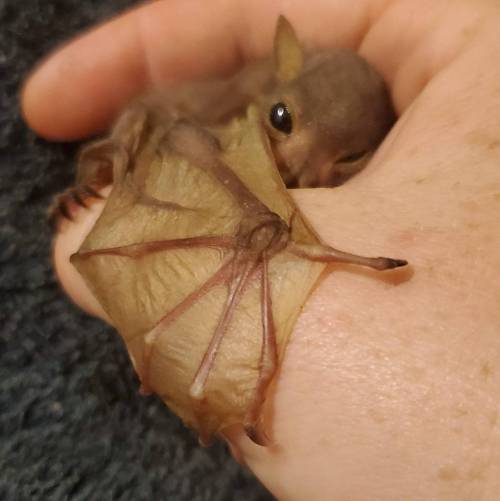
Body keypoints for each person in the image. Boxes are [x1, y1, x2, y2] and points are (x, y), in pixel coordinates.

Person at [22, 0, 500, 499]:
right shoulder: (225, 107)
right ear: (280, 76)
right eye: (282, 119)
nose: (297, 163)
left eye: (349, 158)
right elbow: (154, 117)